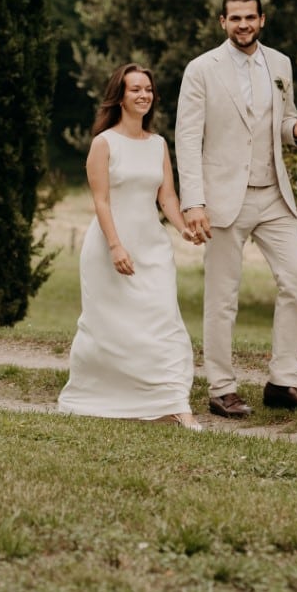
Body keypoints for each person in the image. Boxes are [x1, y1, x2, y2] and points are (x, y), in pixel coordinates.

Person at [175, 0, 297, 419]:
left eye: (250, 17)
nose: (243, 25)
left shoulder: (280, 64)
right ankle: (222, 388)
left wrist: (293, 132)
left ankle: (283, 382)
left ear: (263, 20)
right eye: (235, 18)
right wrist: (194, 202)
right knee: (223, 297)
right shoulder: (201, 69)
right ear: (223, 22)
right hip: (223, 199)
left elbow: (281, 120)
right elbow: (187, 137)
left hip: (275, 194)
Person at [58, 63, 203, 430]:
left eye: (148, 89)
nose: (143, 95)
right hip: (111, 247)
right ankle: (108, 396)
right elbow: (101, 201)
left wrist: (185, 227)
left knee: (164, 322)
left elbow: (166, 196)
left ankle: (175, 404)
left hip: (153, 249)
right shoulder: (104, 144)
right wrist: (115, 246)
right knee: (111, 328)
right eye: (135, 89)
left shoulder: (157, 145)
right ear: (120, 96)